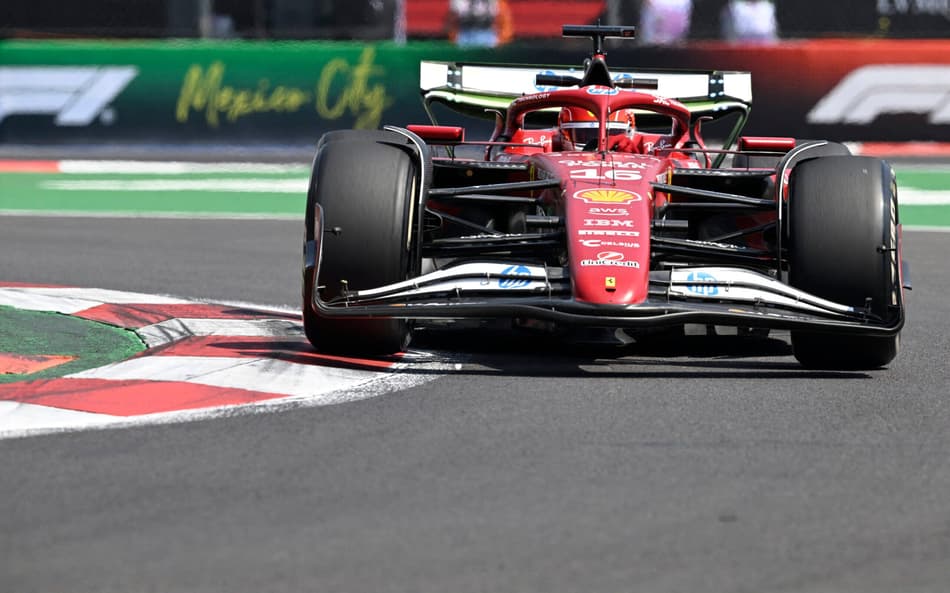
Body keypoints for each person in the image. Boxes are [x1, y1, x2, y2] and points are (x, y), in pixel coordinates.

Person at [558, 107, 639, 152]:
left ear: (629, 131)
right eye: (588, 134)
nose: (598, 148)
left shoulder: (646, 144)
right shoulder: (548, 142)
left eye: (612, 133)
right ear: (565, 132)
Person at [445, 0, 513, 48]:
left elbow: (504, 20)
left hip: (488, 35)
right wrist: (454, 39)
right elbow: (451, 21)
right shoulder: (457, 2)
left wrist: (501, 39)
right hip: (464, 34)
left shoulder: (496, 2)